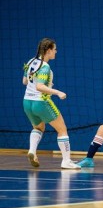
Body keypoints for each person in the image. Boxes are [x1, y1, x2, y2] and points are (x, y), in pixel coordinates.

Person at [22, 38, 80, 169]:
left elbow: (25, 81)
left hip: (27, 102)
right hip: (40, 102)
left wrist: (44, 84)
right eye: (54, 49)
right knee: (62, 129)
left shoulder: (31, 61)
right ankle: (66, 161)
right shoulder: (45, 66)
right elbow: (40, 87)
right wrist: (57, 92)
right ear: (48, 51)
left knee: (38, 128)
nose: (56, 52)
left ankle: (32, 150)